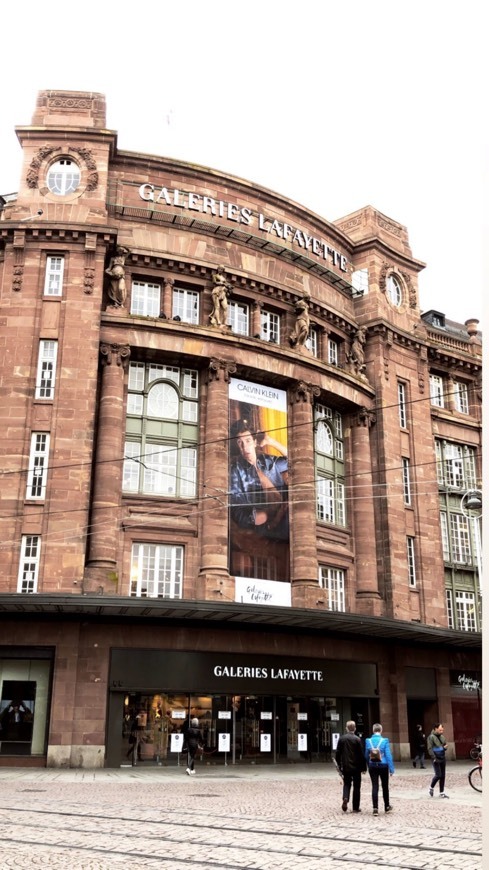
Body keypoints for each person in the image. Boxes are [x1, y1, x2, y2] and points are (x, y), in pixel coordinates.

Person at [230, 419, 289, 540]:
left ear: (255, 442)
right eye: (240, 442)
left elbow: (297, 461)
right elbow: (237, 512)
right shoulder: (236, 471)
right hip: (269, 526)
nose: (245, 447)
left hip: (287, 512)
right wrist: (268, 514)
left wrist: (270, 441)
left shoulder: (267, 461)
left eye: (248, 441)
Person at [335, 720, 367, 813]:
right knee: (357, 786)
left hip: (346, 766)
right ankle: (356, 807)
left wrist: (339, 765)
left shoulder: (342, 739)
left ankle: (345, 798)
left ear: (346, 728)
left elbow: (338, 753)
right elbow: (361, 755)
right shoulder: (357, 739)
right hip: (356, 767)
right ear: (355, 728)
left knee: (347, 783)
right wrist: (364, 767)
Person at [365, 723, 395, 815]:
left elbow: (366, 755)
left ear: (373, 730)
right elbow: (388, 755)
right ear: (381, 730)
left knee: (375, 786)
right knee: (385, 786)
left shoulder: (368, 741)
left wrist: (368, 764)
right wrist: (391, 769)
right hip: (383, 765)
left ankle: (375, 808)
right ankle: (386, 806)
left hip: (372, 765)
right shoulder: (385, 740)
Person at [427, 722, 449, 798]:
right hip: (436, 758)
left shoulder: (442, 737)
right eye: (440, 730)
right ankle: (431, 787)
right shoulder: (431, 737)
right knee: (438, 775)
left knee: (443, 775)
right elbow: (430, 749)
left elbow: (444, 746)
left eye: (442, 730)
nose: (441, 732)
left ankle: (442, 792)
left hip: (442, 757)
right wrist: (433, 758)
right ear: (435, 729)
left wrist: (445, 748)